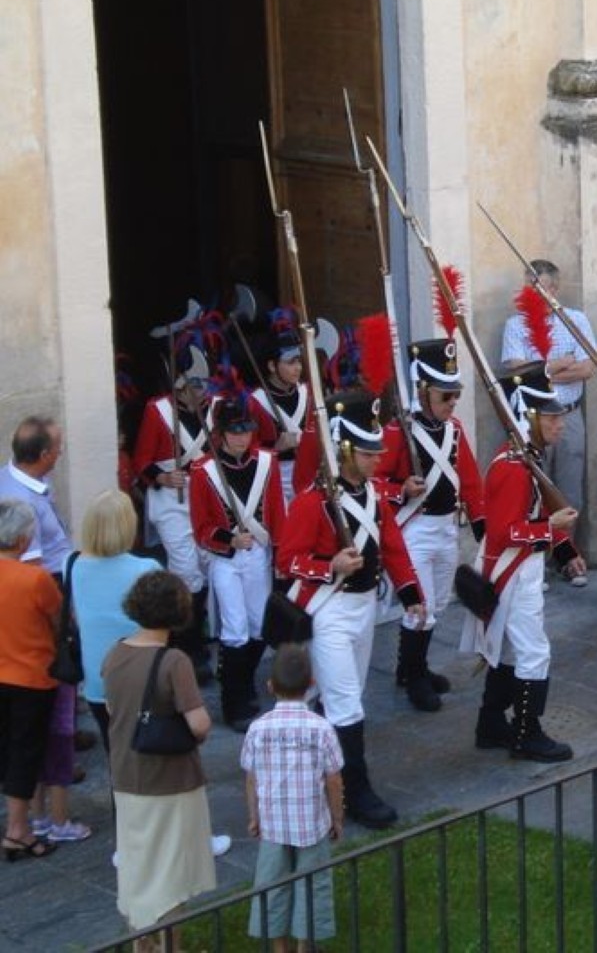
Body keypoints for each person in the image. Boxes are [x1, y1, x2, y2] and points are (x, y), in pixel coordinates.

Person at [276, 389, 423, 828]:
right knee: (345, 704)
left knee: (346, 696)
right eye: (367, 452)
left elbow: (392, 547)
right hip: (330, 609)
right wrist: (329, 566)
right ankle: (354, 792)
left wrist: (411, 593)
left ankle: (318, 774)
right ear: (343, 451)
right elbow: (287, 560)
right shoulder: (312, 501)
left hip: (364, 608)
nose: (378, 458)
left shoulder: (374, 493)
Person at [463, 362, 581, 763]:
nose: (559, 424)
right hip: (512, 570)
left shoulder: (525, 457)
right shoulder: (513, 468)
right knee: (533, 653)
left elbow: (536, 512)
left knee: (510, 651)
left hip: (521, 566)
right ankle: (527, 733)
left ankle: (491, 723)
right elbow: (503, 532)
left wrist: (564, 550)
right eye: (551, 417)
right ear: (528, 418)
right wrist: (551, 530)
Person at [102, 570, 218, 942]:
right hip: (170, 780)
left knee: (137, 870)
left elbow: (111, 707)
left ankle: (141, 943)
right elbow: (198, 724)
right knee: (170, 878)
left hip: (126, 774)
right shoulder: (174, 662)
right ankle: (169, 946)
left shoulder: (116, 652)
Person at [378, 338, 486, 712]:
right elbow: (373, 482)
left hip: (446, 528)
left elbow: (469, 481)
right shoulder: (399, 431)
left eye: (455, 395)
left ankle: (412, 667)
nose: (452, 402)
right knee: (420, 606)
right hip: (415, 528)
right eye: (445, 396)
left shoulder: (454, 429)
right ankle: (415, 678)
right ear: (423, 391)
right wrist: (400, 489)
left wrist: (482, 527)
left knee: (436, 604)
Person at [190, 394, 287, 731]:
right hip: (226, 560)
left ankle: (243, 680)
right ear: (220, 433)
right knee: (234, 627)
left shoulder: (267, 462)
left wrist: (281, 556)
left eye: (246, 430)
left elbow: (277, 513)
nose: (242, 438)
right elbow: (200, 526)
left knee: (260, 625)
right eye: (234, 432)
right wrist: (229, 540)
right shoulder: (203, 471)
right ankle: (234, 701)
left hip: (258, 554)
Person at [242, 643, 343, 951]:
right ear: (311, 684)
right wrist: (336, 817)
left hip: (272, 824)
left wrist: (254, 816)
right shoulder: (321, 728)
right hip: (312, 824)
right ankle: (303, 946)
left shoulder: (257, 729)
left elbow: (251, 778)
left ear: (270, 686)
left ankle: (278, 948)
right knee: (312, 885)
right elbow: (333, 779)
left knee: (272, 885)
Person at [501, 260, 596, 582]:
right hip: (532, 422)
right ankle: (534, 565)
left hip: (568, 415)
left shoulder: (576, 320)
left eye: (538, 288)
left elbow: (587, 368)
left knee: (569, 490)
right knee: (533, 493)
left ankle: (569, 560)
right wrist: (561, 363)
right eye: (528, 287)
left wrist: (541, 370)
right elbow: (516, 370)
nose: (531, 294)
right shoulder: (515, 325)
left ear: (554, 289)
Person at [131, 339, 213, 682]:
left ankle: (201, 633)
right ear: (180, 384)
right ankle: (186, 644)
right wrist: (163, 476)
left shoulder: (214, 408)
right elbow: (142, 462)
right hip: (172, 501)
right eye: (196, 384)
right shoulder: (158, 411)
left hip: (206, 497)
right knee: (185, 568)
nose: (202, 391)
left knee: (207, 565)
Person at [71, 490, 163, 750]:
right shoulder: (147, 569)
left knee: (113, 748)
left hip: (97, 676)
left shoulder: (71, 565)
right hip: (141, 675)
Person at [0, 500, 61, 861]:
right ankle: (18, 829)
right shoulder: (35, 579)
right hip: (30, 677)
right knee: (25, 753)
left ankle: (16, 824)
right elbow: (58, 619)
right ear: (23, 539)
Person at [250, 312, 312, 507]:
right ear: (272, 365)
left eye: (299, 361)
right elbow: (245, 451)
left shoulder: (307, 393)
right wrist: (275, 447)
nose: (298, 368)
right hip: (274, 477)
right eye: (290, 362)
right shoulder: (255, 402)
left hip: (308, 473)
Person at [0, 416, 72, 576]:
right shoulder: (22, 503)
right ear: (44, 455)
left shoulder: (31, 474)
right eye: (58, 446)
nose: (60, 452)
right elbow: (30, 565)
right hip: (51, 579)